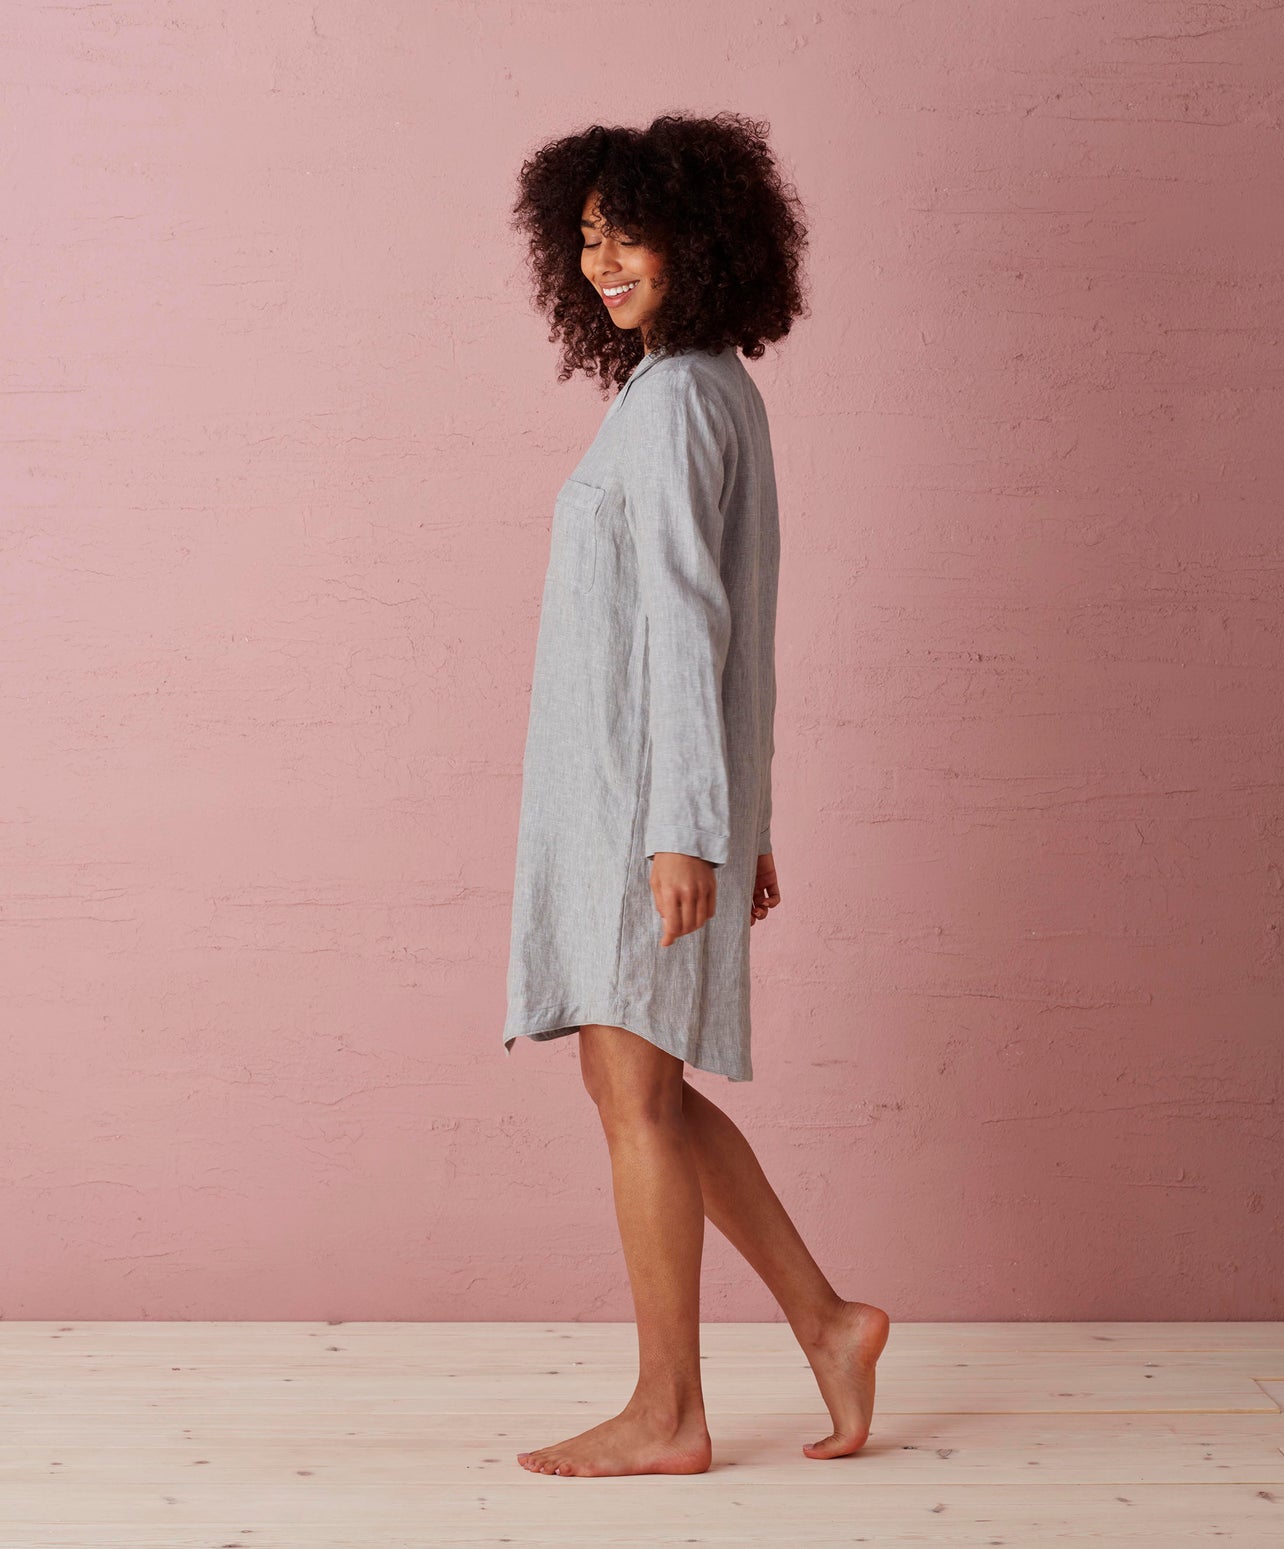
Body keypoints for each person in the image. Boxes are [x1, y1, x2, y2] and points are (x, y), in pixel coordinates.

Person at [503, 111, 888, 1478]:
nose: (604, 264)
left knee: (634, 1094)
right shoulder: (707, 387)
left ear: (701, 241)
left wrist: (689, 827)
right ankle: (830, 1323)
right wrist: (743, 816)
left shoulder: (673, 403)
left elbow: (692, 621)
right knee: (643, 1087)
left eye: (632, 237)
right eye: (587, 239)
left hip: (635, 803)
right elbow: (745, 627)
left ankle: (669, 1411)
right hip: (654, 795)